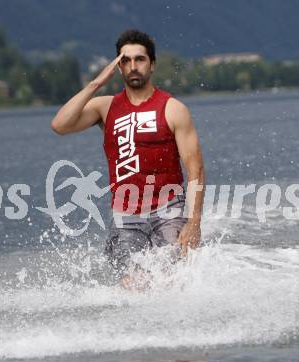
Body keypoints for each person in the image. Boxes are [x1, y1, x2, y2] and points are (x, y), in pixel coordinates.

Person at [51, 29, 205, 289]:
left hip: (169, 208)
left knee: (170, 280)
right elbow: (60, 125)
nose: (133, 66)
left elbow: (196, 170)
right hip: (125, 215)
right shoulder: (105, 107)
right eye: (126, 60)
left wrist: (193, 223)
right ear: (118, 67)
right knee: (133, 284)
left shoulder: (173, 109)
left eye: (140, 59)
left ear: (152, 64)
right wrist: (95, 84)